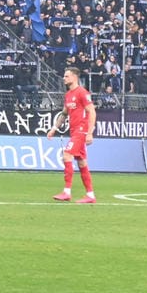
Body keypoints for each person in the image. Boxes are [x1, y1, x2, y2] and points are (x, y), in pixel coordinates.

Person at [45, 66, 96, 203]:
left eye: (66, 76)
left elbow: (92, 111)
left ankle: (66, 192)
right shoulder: (68, 95)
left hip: (81, 130)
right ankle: (90, 195)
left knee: (67, 154)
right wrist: (54, 128)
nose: (64, 78)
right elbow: (64, 114)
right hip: (73, 131)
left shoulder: (82, 93)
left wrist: (90, 132)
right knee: (81, 162)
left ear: (74, 77)